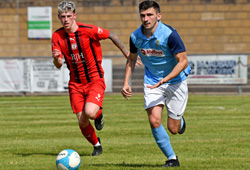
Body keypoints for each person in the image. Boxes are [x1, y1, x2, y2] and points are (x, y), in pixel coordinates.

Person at [52, 1, 129, 156]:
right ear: (59, 17)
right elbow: (58, 64)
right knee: (82, 121)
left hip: (94, 79)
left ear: (74, 16)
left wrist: (127, 53)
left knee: (91, 112)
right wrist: (57, 59)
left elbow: (111, 35)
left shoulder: (89, 30)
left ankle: (98, 115)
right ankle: (96, 144)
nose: (66, 19)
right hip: (75, 83)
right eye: (62, 16)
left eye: (68, 16)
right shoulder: (57, 36)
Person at [121, 0, 191, 167]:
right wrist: (126, 83)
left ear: (158, 16)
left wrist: (166, 79)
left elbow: (183, 62)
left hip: (175, 81)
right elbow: (131, 60)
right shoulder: (135, 36)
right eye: (143, 15)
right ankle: (172, 159)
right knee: (154, 120)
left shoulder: (170, 34)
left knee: (173, 129)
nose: (146, 19)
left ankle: (179, 122)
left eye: (150, 15)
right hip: (152, 81)